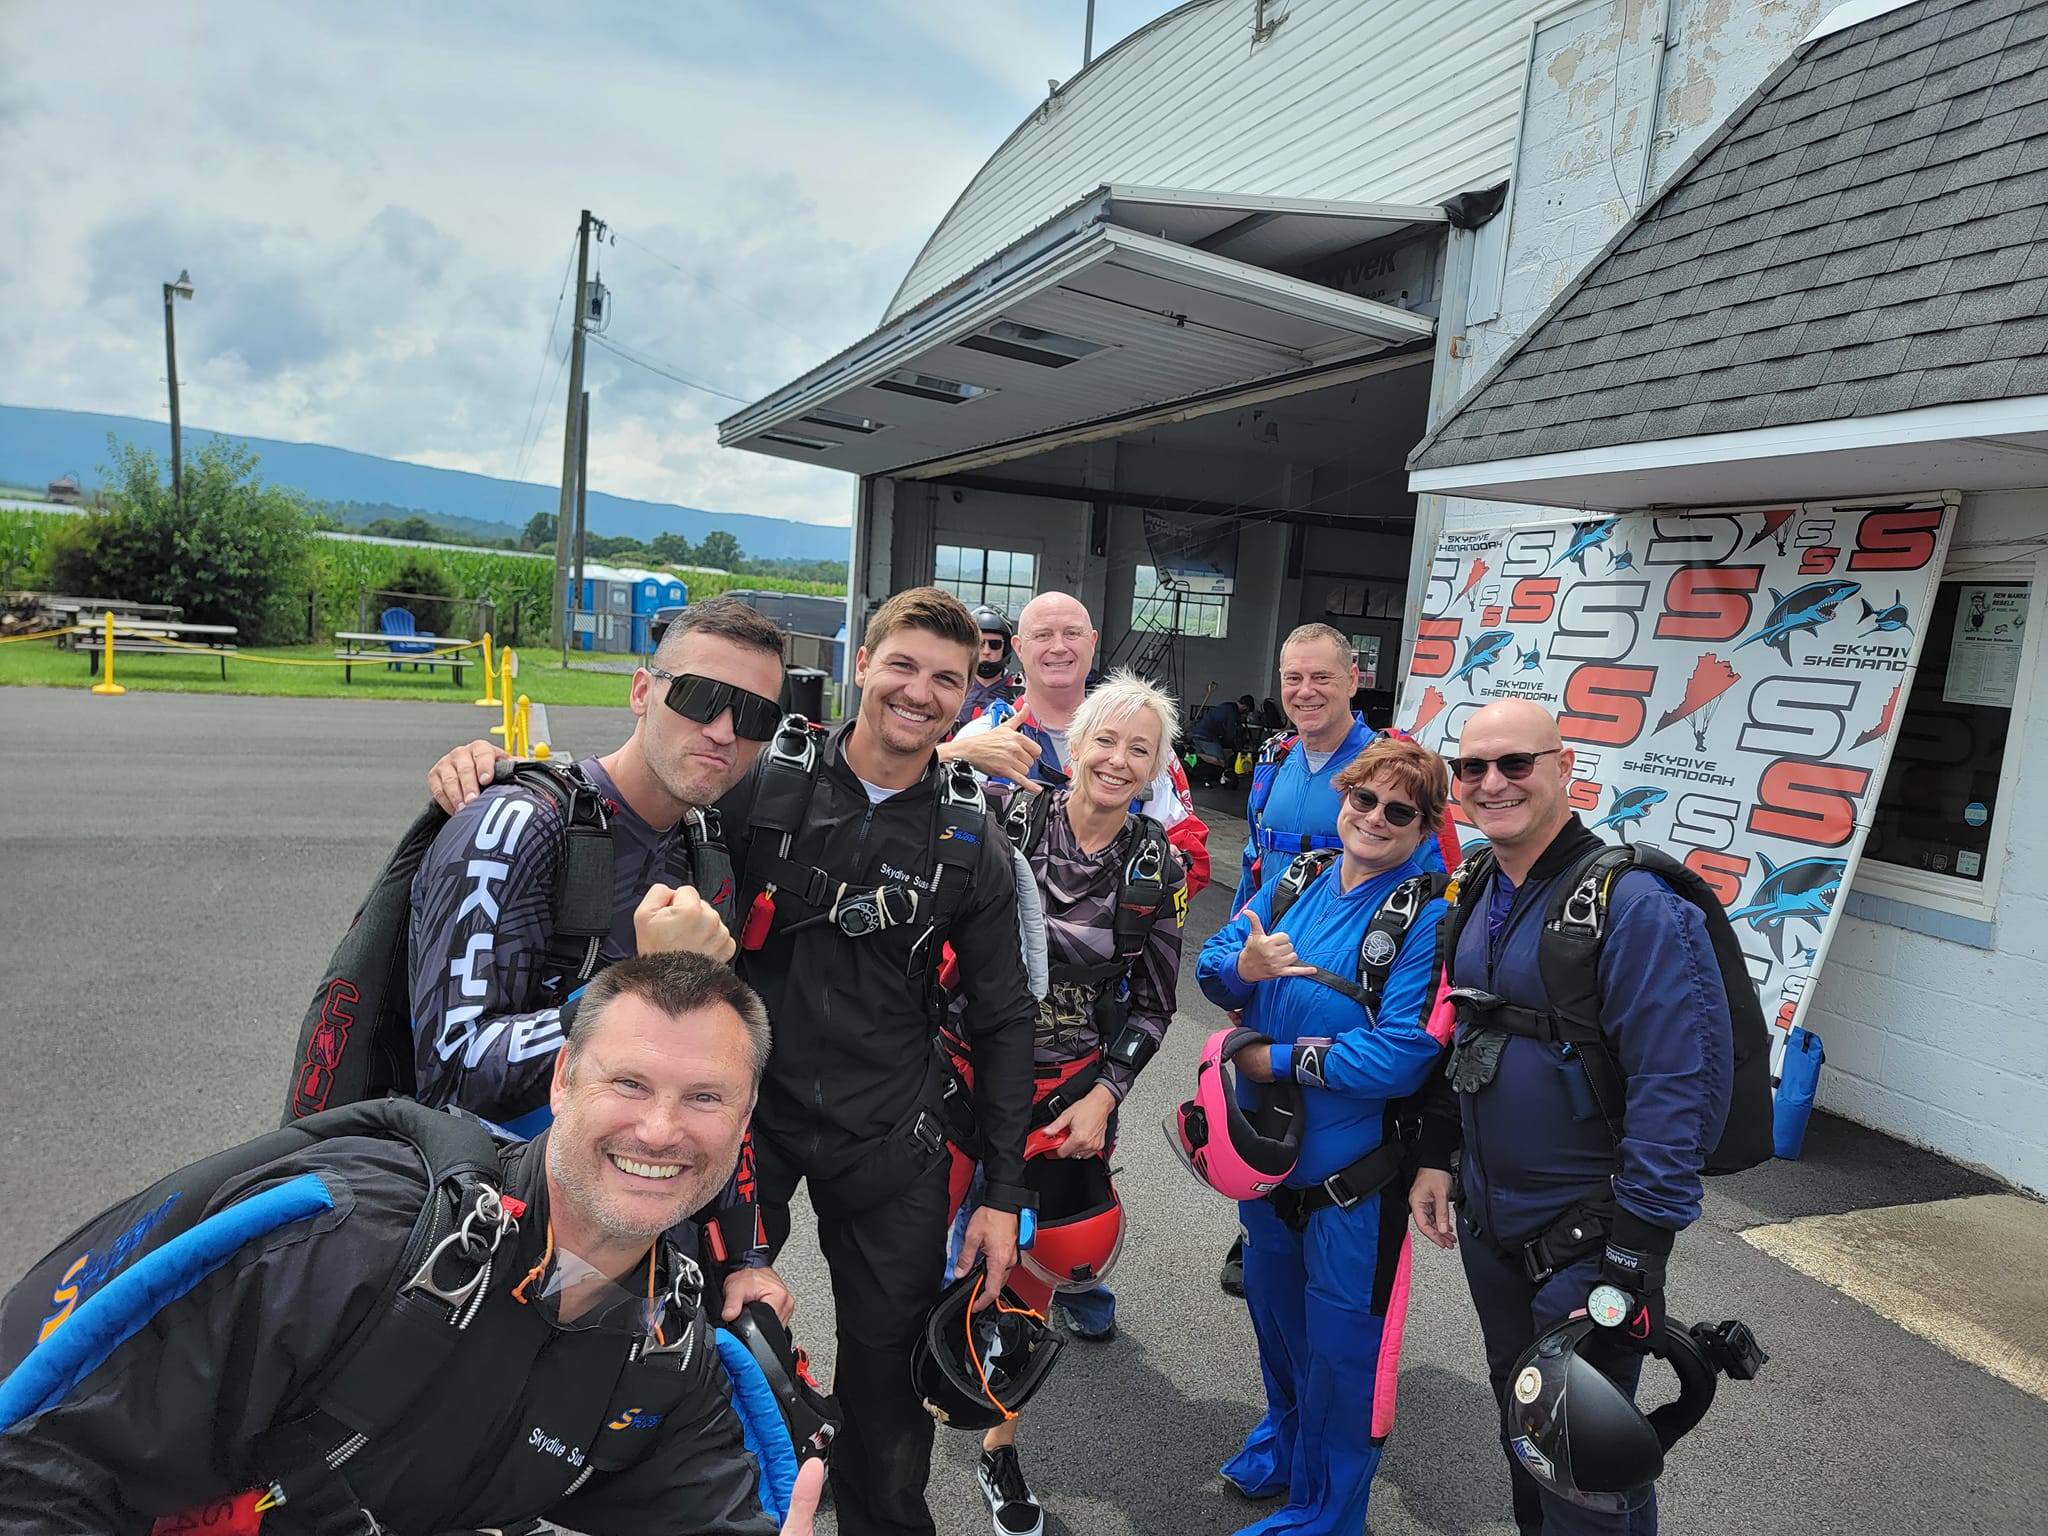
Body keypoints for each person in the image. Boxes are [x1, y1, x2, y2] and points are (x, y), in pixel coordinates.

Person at [431, 588, 1037, 1536]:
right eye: (902, 667)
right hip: (739, 1135)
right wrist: (504, 774)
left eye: (947, 680)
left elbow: (1006, 1020)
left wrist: (1002, 1189)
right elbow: (661, 774)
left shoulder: (974, 843)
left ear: (969, 697)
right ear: (860, 669)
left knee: (886, 1402)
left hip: (893, 1141)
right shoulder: (760, 787)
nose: (919, 693)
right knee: (704, 1354)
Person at [0, 953, 824, 1535]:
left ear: (745, 1122)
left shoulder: (667, 1346)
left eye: (706, 1097)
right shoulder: (351, 1238)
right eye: (630, 1083)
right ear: (562, 1080)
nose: (660, 1129)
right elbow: (44, 1469)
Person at [417, 593, 795, 1326]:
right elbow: (455, 1067)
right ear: (642, 691)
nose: (722, 730)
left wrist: (747, 1257)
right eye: (699, 697)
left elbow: (722, 1079)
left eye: (752, 717)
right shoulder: (517, 825)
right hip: (494, 1238)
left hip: (641, 1237)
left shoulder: (709, 853)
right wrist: (634, 990)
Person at [1407, 698, 1734, 1536]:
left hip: (1588, 1239)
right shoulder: (1479, 885)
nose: (1493, 783)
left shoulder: (1634, 905)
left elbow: (1677, 1087)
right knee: (1527, 1432)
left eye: (1516, 763)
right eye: (1473, 768)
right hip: (1492, 1223)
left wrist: (1637, 1251)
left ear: (1566, 768)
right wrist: (1439, 1154)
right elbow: (1462, 1030)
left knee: (1587, 1459)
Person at [943, 670, 1187, 1536]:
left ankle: (999, 1448)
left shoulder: (1158, 864)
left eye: (1140, 749)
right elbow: (879, 801)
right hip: (958, 1068)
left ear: (1157, 767)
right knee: (916, 1241)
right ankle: (902, 1390)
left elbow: (1157, 1003)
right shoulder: (1004, 813)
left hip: (1066, 1093)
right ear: (1072, 744)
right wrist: (952, 751)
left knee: (1035, 1268)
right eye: (1105, 741)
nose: (1118, 761)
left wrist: (1106, 1095)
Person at [1195, 735, 1453, 1536]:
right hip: (1268, 1171)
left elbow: (1405, 1053)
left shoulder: (1428, 915)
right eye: (1363, 799)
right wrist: (1249, 971)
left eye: (1399, 810)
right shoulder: (1295, 876)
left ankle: (1328, 1514)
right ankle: (1284, 1439)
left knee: (1345, 1356)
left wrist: (1272, 1058)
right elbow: (1210, 964)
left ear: (1426, 827)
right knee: (1275, 1320)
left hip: (1354, 1188)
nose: (1374, 817)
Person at [1218, 624, 1452, 1297]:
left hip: (1352, 978)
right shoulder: (1274, 759)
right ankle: (1262, 1218)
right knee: (1259, 1121)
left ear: (1355, 679)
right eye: (1294, 678)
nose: (1306, 691)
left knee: (1333, 1139)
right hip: (1276, 959)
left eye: (1322, 677)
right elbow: (1256, 869)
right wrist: (1243, 963)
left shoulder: (1389, 768)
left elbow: (1428, 887)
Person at [945, 590, 1212, 899]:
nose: (1059, 647)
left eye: (1072, 633)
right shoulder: (978, 738)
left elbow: (1189, 852)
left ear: (1093, 641)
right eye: (1043, 635)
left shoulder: (1149, 747)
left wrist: (1168, 869)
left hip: (1108, 939)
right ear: (1018, 647)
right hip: (999, 936)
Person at [957, 602, 1017, 726]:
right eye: (980, 644)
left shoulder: (1023, 691)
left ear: (1006, 648)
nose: (986, 651)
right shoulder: (951, 686)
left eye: (995, 644)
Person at [1191, 693, 1255, 786]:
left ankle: (1197, 760)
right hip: (1207, 736)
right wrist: (1235, 748)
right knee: (1220, 761)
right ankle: (1195, 754)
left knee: (1209, 760)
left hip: (1197, 733)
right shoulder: (1233, 712)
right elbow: (1230, 734)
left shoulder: (1226, 705)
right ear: (1245, 707)